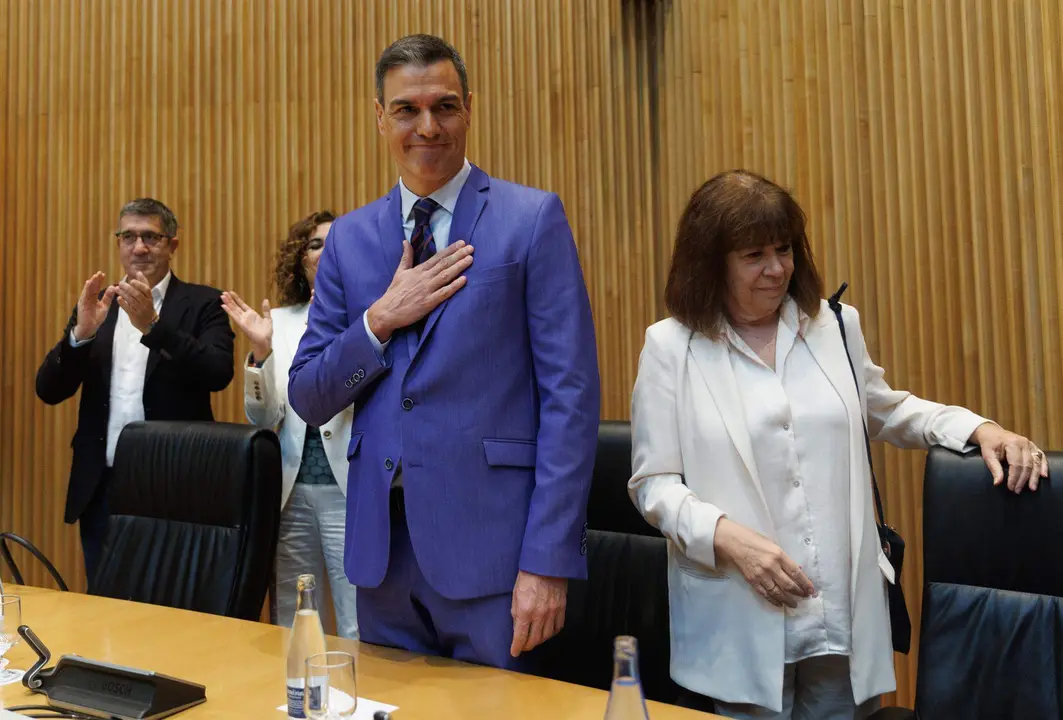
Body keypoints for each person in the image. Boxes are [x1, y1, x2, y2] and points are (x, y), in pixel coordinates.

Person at [629, 170, 1047, 719]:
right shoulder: (670, 348)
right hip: (739, 611)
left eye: (783, 249)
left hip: (839, 611)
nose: (776, 268)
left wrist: (977, 428)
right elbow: (652, 484)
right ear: (712, 263)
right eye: (754, 255)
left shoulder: (832, 324)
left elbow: (886, 408)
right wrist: (727, 538)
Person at [287, 34, 600, 670]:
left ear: (468, 109)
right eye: (406, 109)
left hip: (498, 559)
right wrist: (378, 320)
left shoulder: (531, 218)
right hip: (382, 561)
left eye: (444, 106)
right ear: (380, 117)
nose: (427, 126)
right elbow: (308, 394)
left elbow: (571, 398)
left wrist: (548, 560)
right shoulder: (348, 240)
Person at [36, 197, 235, 582]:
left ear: (172, 245)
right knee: (107, 608)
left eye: (150, 237)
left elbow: (218, 372)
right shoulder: (99, 306)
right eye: (128, 236)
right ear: (118, 244)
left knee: (174, 607)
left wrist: (153, 326)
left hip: (176, 484)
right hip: (103, 485)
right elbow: (48, 389)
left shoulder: (203, 303)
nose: (139, 247)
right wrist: (79, 336)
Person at [220, 210, 359, 639]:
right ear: (301, 260)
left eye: (334, 242)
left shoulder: (373, 316)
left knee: (359, 619)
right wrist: (262, 354)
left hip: (350, 488)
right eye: (314, 244)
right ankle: (297, 700)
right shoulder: (276, 323)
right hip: (291, 491)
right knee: (293, 618)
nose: (324, 251)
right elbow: (264, 418)